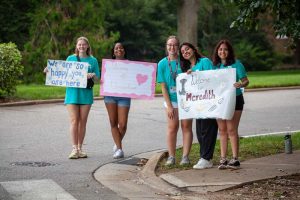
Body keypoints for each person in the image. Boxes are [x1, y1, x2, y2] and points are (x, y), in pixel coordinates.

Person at [45, 36, 100, 159]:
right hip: (72, 94)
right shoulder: (70, 58)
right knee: (74, 120)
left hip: (86, 94)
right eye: (79, 44)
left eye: (84, 44)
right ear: (76, 46)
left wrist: (92, 75)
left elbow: (98, 77)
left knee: (83, 122)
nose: (81, 46)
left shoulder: (93, 60)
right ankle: (74, 148)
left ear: (87, 46)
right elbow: (62, 72)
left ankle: (80, 148)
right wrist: (50, 70)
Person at [179, 42, 218, 169]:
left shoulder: (204, 62)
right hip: (197, 104)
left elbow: (213, 78)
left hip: (208, 101)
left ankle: (206, 158)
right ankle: (205, 157)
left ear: (193, 49)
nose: (185, 52)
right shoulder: (187, 68)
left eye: (187, 49)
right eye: (183, 52)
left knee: (208, 129)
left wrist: (196, 74)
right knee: (200, 130)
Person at [212, 39, 249, 169]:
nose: (223, 51)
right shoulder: (214, 66)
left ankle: (235, 159)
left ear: (229, 51)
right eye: (220, 49)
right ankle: (223, 159)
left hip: (235, 99)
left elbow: (246, 81)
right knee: (222, 130)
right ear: (217, 51)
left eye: (225, 49)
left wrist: (241, 84)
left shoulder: (236, 64)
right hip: (220, 101)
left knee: (231, 129)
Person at [157, 36, 193, 166]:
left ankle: (185, 156)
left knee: (186, 127)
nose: (172, 47)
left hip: (186, 99)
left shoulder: (184, 61)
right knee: (172, 127)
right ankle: (171, 156)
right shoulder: (161, 64)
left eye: (175, 45)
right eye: (169, 45)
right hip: (171, 100)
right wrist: (169, 106)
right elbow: (163, 87)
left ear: (178, 47)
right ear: (166, 46)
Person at [103, 42, 131, 159]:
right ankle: (119, 149)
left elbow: (134, 79)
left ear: (124, 51)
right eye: (116, 48)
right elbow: (103, 78)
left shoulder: (130, 65)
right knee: (113, 122)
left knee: (123, 124)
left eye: (121, 48)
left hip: (124, 96)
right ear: (113, 52)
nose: (119, 49)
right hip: (110, 95)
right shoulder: (108, 64)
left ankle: (117, 142)